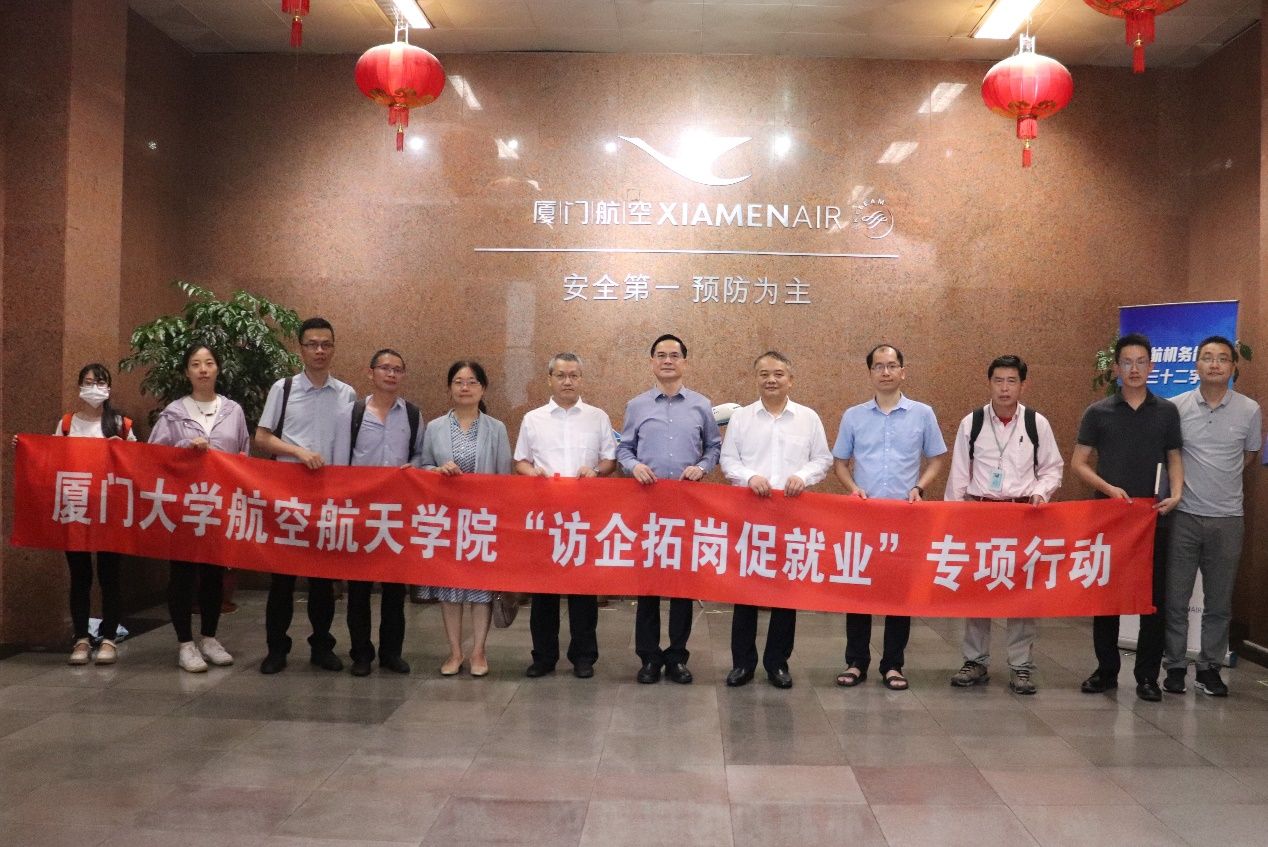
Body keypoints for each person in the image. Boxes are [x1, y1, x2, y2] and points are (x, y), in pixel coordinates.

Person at [1071, 333, 1182, 702]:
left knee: (1153, 599)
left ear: (1152, 367)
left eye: (1141, 362)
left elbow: (1174, 457)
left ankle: (1148, 676)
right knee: (1107, 596)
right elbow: (1078, 463)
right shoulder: (1098, 412)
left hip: (1153, 518)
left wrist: (1177, 493)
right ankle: (1106, 670)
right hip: (1109, 518)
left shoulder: (1166, 411)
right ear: (1116, 369)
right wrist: (1107, 488)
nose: (1134, 369)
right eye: (1127, 362)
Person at [946, 355, 1063, 695]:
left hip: (1022, 516)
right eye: (998, 380)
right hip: (980, 516)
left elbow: (1053, 468)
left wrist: (1041, 492)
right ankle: (975, 661)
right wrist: (953, 519)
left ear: (1023, 385)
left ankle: (1021, 666)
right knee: (978, 589)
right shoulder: (972, 422)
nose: (1004, 388)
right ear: (990, 383)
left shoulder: (1036, 423)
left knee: (1021, 593)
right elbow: (958, 474)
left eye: (1012, 381)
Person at [833, 344, 947, 691]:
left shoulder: (922, 414)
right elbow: (840, 462)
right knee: (859, 590)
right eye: (878, 366)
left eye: (892, 365)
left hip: (904, 517)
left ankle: (893, 665)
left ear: (903, 372)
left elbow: (937, 459)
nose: (885, 372)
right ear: (870, 373)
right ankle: (856, 662)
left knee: (899, 593)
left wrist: (919, 487)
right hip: (864, 516)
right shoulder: (853, 416)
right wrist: (853, 488)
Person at [720, 351, 832, 689]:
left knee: (785, 591)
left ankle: (777, 663)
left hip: (791, 517)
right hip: (750, 515)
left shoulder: (808, 418)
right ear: (756, 379)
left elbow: (823, 459)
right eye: (764, 374)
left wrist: (803, 476)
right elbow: (728, 460)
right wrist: (749, 477)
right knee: (746, 590)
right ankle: (742, 664)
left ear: (790, 380)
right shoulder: (741, 418)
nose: (771, 379)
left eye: (778, 374)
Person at [618, 334, 722, 685]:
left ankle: (677, 656)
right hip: (646, 506)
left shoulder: (701, 405)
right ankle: (648, 657)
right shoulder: (636, 406)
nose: (667, 361)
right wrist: (633, 466)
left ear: (684, 362)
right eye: (661, 355)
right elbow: (623, 449)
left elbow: (713, 448)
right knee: (647, 584)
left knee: (681, 584)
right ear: (652, 362)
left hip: (686, 506)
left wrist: (702, 468)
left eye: (674, 355)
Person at [254, 317, 357, 674]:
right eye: (312, 344)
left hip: (328, 496)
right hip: (288, 495)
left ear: (333, 348)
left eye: (326, 344)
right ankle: (276, 649)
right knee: (282, 578)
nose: (319, 350)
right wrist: (298, 452)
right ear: (301, 349)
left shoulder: (347, 394)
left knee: (322, 579)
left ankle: (322, 646)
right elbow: (262, 438)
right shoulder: (282, 388)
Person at [1163, 336, 1261, 697]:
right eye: (1207, 357)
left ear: (1233, 366)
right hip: (1184, 516)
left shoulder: (1249, 409)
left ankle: (1208, 669)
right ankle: (1174, 666)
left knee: (1219, 603)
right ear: (1197, 366)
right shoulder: (1176, 406)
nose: (1215, 364)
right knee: (1176, 599)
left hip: (1228, 519)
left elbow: (1249, 455)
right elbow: (1171, 455)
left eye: (1222, 358)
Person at [20, 364, 137, 665]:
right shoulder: (67, 423)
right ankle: (81, 638)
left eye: (100, 382)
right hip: (76, 508)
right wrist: (26, 449)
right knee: (80, 576)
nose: (94, 388)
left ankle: (109, 637)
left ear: (109, 388)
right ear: (79, 387)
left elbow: (139, 465)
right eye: (88, 382)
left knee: (110, 576)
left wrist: (123, 449)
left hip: (109, 509)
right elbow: (50, 458)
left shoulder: (121, 424)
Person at [148, 344, 250, 672]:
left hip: (218, 505)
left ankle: (209, 637)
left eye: (209, 363)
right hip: (183, 506)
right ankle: (185, 643)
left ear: (218, 368)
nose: (203, 369)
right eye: (195, 364)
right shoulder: (173, 412)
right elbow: (154, 456)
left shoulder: (233, 411)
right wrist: (184, 448)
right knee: (182, 574)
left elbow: (244, 454)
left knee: (213, 574)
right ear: (186, 372)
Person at [514, 352, 617, 679]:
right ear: (550, 380)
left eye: (573, 375)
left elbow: (610, 460)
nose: (568, 381)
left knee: (583, 590)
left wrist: (596, 471)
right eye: (561, 375)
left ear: (581, 379)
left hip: (584, 517)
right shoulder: (533, 418)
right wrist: (532, 474)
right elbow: (520, 461)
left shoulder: (598, 417)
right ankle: (543, 657)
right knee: (543, 590)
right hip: (546, 515)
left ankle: (583, 657)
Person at [415, 360, 513, 677]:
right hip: (446, 519)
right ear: (450, 388)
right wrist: (436, 470)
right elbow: (422, 466)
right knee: (449, 588)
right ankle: (455, 652)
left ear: (483, 389)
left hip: (482, 520)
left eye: (472, 382)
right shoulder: (435, 427)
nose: (465, 387)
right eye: (458, 381)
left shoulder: (496, 428)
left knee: (480, 588)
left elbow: (504, 476)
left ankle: (479, 652)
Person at [330, 348, 425, 677]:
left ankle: (391, 653)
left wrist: (413, 468)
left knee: (395, 590)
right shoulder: (351, 413)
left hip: (396, 514)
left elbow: (420, 456)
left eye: (397, 369)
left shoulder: (412, 414)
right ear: (370, 373)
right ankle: (361, 653)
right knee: (359, 589)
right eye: (384, 368)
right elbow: (339, 464)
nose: (391, 374)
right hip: (360, 511)